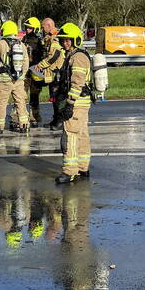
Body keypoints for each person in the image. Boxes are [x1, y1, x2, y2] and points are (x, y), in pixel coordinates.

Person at [52, 23, 93, 184]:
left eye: (68, 40)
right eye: (63, 40)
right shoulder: (73, 55)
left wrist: (69, 104)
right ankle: (83, 167)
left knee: (71, 136)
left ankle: (70, 171)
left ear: (75, 40)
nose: (65, 43)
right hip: (81, 102)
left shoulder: (78, 57)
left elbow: (77, 83)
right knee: (82, 134)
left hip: (76, 103)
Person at [28, 18, 65, 129]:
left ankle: (59, 121)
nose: (42, 29)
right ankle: (55, 119)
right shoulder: (48, 37)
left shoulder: (55, 38)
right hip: (52, 74)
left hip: (57, 72)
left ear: (49, 26)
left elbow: (53, 56)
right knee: (53, 97)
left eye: (43, 27)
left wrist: (40, 65)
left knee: (58, 98)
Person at [21, 17, 44, 127]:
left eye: (30, 28)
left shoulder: (40, 42)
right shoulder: (23, 39)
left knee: (35, 95)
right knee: (22, 95)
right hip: (25, 71)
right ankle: (21, 116)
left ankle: (34, 116)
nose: (27, 29)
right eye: (26, 27)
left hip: (35, 71)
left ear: (35, 29)